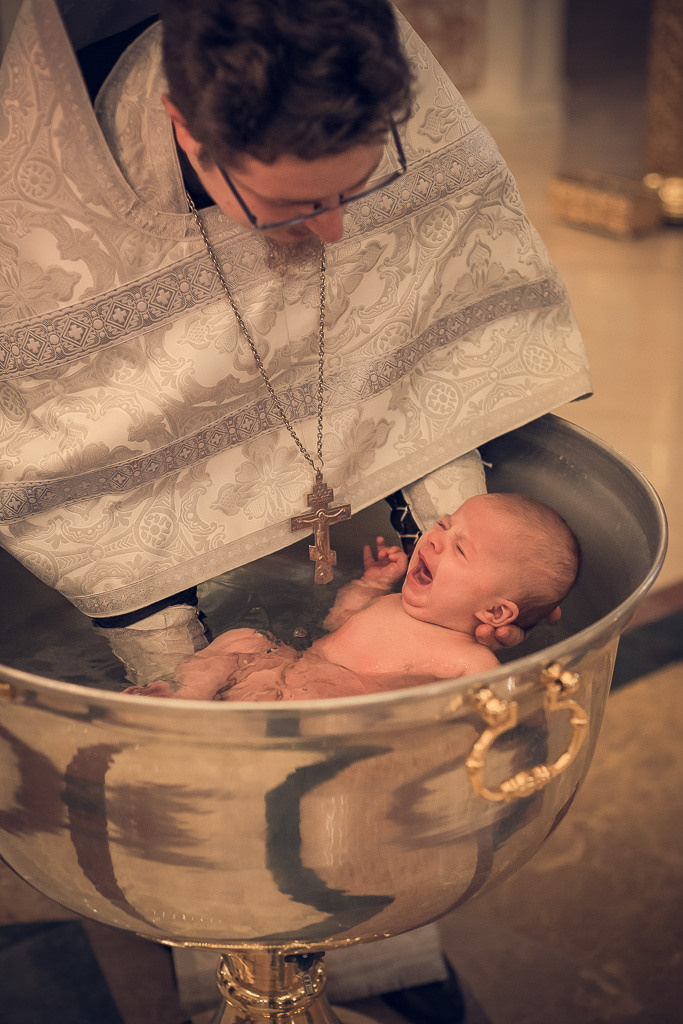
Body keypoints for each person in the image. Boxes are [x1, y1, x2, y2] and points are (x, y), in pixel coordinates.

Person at [0, 1, 591, 1019]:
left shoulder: (360, 82)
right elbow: (70, 424)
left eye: (354, 189)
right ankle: (212, 933)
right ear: (190, 131)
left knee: (342, 810)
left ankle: (347, 955)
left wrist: (441, 571)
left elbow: (425, 301)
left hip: (341, 683)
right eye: (290, 208)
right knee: (196, 725)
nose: (334, 233)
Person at [124, 493, 580, 702]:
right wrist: (371, 585)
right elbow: (334, 625)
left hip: (330, 709)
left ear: (497, 612)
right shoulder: (392, 601)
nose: (436, 540)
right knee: (244, 639)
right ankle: (183, 700)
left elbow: (467, 717)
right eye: (442, 525)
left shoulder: (471, 662)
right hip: (287, 668)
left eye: (459, 548)